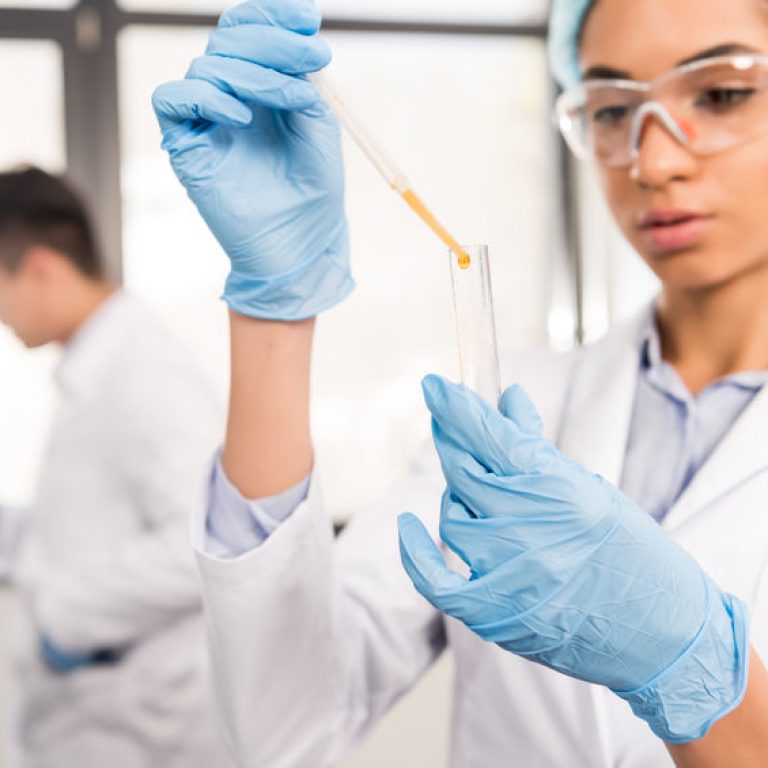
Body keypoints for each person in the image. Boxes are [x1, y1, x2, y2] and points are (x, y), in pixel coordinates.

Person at [153, 0, 768, 765]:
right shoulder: (507, 404)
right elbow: (287, 727)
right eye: (613, 109)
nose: (654, 161)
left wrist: (699, 672)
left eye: (722, 94)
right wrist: (275, 310)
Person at [0, 167, 233, 767]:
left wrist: (61, 618)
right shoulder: (96, 364)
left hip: (141, 728)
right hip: (93, 724)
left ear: (41, 269)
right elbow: (89, 524)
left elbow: (206, 541)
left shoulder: (145, 371)